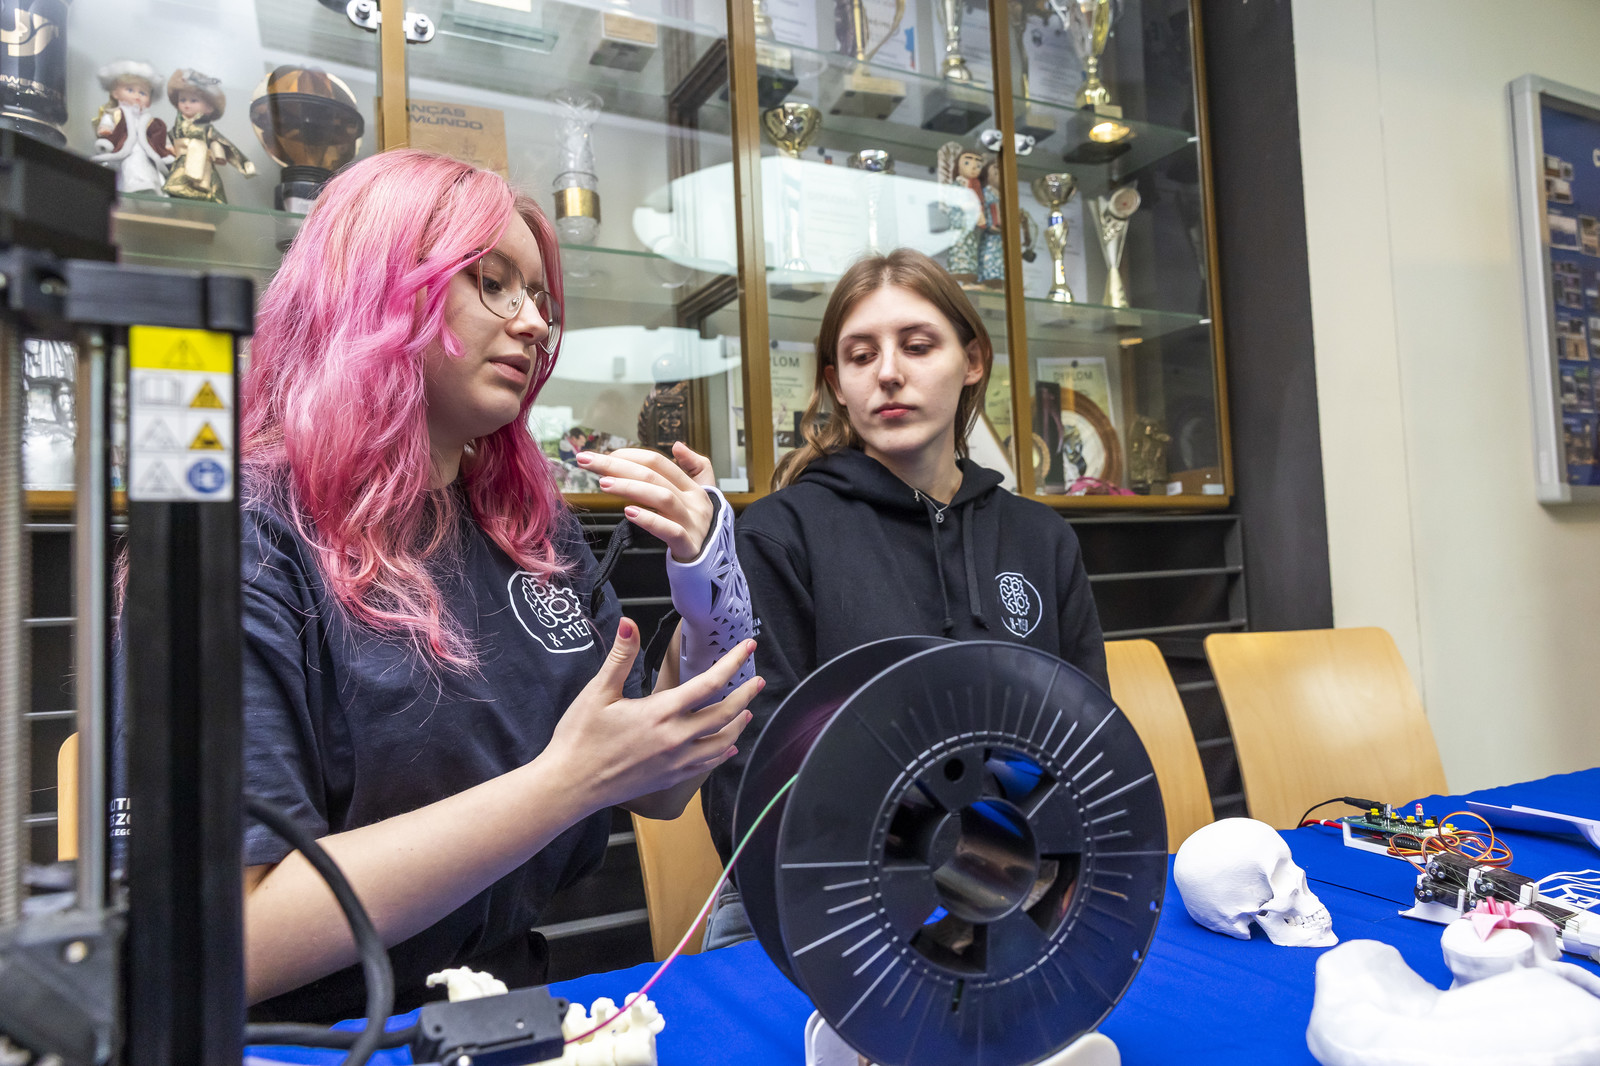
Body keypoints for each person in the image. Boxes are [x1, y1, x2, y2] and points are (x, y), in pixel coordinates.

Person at [215, 150, 758, 1022]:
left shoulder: (527, 528)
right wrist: (563, 784)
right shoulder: (252, 539)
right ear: (375, 292)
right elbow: (232, 942)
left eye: (538, 296)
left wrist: (707, 585)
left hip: (508, 1011)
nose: (535, 323)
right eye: (492, 283)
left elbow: (655, 789)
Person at [700, 248, 1107, 945]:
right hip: (819, 908)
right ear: (836, 382)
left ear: (972, 360)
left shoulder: (1041, 539)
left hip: (1014, 889)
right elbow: (751, 770)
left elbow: (1088, 744)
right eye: (861, 356)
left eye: (917, 346)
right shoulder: (776, 535)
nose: (888, 372)